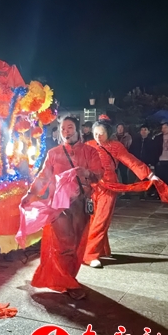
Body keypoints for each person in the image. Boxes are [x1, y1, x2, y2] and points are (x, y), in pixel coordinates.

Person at [22, 117, 104, 299]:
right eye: (63, 129)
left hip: (81, 204)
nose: (66, 131)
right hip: (59, 206)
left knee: (76, 245)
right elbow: (43, 177)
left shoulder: (90, 152)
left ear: (78, 130)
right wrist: (30, 194)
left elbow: (99, 174)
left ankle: (68, 278)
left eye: (70, 127)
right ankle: (68, 284)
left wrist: (87, 172)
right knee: (64, 244)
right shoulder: (54, 153)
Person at [85, 121, 156, 268]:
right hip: (92, 186)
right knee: (93, 219)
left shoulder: (116, 146)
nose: (98, 137)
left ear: (108, 133)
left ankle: (90, 254)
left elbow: (131, 161)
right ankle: (102, 249)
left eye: (101, 133)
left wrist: (149, 174)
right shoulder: (88, 145)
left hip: (110, 186)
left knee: (102, 219)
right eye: (95, 133)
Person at [129, 125, 157, 199]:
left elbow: (153, 153)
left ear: (148, 131)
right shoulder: (135, 141)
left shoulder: (151, 142)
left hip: (146, 163)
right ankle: (136, 193)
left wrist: (152, 162)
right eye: (142, 130)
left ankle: (145, 193)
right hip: (136, 162)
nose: (143, 131)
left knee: (145, 179)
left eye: (145, 130)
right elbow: (131, 151)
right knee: (135, 177)